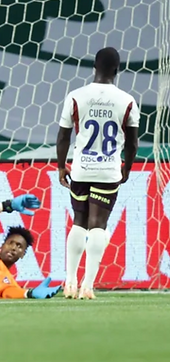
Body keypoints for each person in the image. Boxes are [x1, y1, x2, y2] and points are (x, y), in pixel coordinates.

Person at [57, 47, 139, 300]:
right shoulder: (127, 101)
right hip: (108, 170)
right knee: (98, 225)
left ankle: (69, 282)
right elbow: (132, 142)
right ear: (117, 70)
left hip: (81, 169)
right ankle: (87, 286)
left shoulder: (75, 96)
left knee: (78, 222)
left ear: (94, 66)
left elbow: (63, 135)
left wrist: (61, 165)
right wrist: (127, 166)